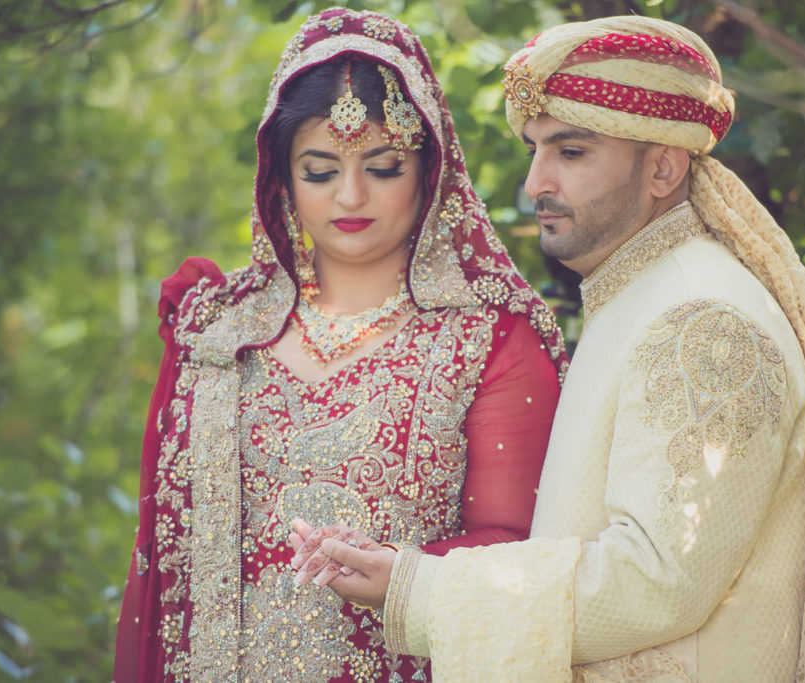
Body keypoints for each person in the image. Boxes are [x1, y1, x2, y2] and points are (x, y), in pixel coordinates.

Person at [290, 15, 805, 681]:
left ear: (663, 168)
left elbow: (658, 580)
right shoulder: (642, 296)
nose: (536, 183)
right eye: (535, 150)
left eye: (570, 153)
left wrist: (416, 586)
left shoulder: (702, 319)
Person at [112, 8, 568, 681]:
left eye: (382, 167)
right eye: (320, 171)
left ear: (429, 170)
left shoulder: (489, 338)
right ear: (281, 179)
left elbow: (520, 553)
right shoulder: (215, 330)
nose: (350, 196)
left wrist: (403, 575)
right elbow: (162, 564)